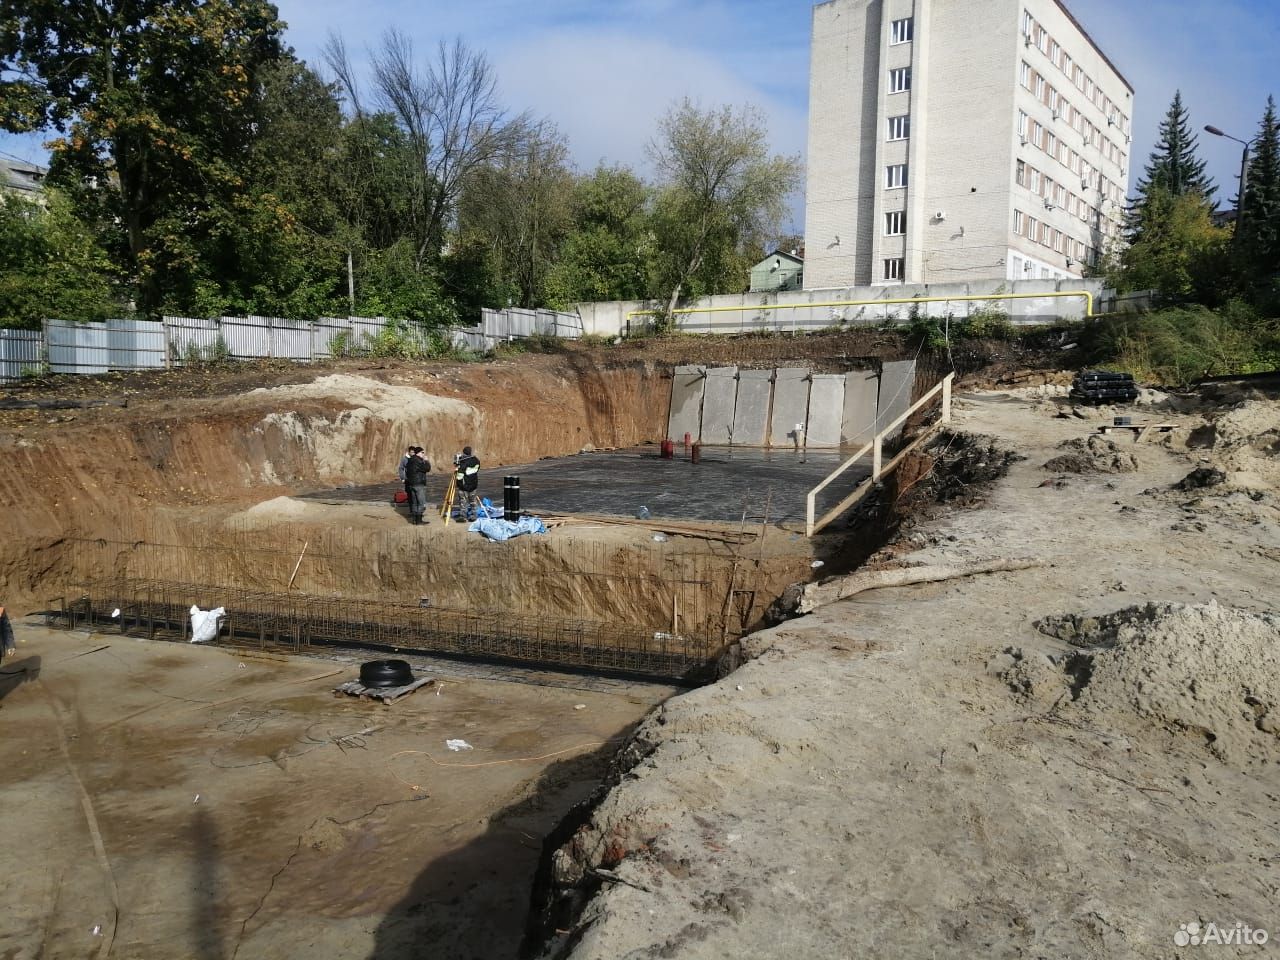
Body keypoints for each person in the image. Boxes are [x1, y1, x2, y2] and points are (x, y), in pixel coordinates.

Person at [404, 447, 431, 525]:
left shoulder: (410, 460)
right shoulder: (418, 460)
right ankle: (419, 520)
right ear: (418, 453)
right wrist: (426, 461)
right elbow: (427, 468)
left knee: (414, 503)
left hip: (412, 484)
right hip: (419, 484)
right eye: (422, 452)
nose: (423, 454)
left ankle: (414, 520)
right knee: (421, 503)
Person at [454, 445, 481, 520]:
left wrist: (459, 485)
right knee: (473, 501)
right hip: (473, 484)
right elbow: (477, 469)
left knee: (463, 501)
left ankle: (463, 516)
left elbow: (459, 476)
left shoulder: (463, 462)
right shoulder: (476, 460)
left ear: (464, 453)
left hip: (464, 485)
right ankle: (474, 515)